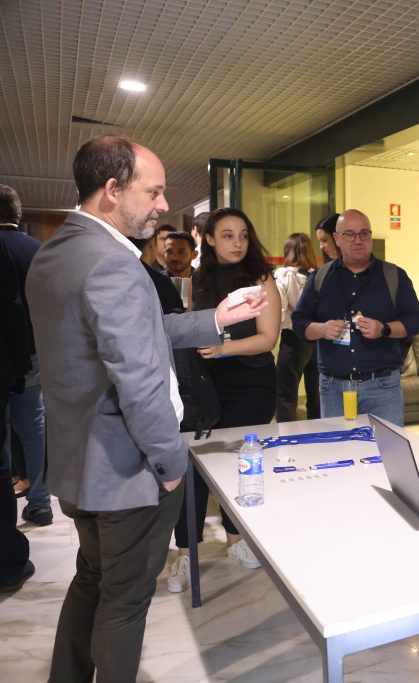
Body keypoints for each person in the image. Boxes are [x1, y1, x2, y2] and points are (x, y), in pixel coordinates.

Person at [25, 135, 267, 682]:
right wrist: (170, 463)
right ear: (113, 189)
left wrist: (215, 319)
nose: (164, 205)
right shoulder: (113, 263)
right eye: (154, 192)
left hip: (79, 461)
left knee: (92, 579)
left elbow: (132, 332)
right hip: (126, 470)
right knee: (126, 600)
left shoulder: (56, 251)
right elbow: (139, 380)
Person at [167, 207, 281, 593]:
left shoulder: (261, 279)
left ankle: (236, 538)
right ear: (210, 239)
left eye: (243, 235)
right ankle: (186, 552)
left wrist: (223, 348)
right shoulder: (198, 279)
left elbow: (268, 338)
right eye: (228, 235)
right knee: (193, 465)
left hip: (252, 384)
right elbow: (188, 328)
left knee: (237, 462)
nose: (237, 242)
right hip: (205, 383)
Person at [292, 209, 419, 425]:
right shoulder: (320, 277)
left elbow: (416, 321)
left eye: (364, 233)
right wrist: (322, 329)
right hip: (333, 389)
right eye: (350, 234)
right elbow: (299, 321)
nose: (358, 240)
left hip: (382, 387)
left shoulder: (393, 276)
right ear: (337, 238)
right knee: (339, 445)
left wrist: (384, 329)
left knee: (385, 446)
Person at [0, 184, 51, 526]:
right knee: (34, 429)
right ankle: (41, 502)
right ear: (17, 213)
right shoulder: (39, 251)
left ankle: (5, 507)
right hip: (33, 354)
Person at [0, 236, 34, 592]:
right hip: (10, 363)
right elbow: (11, 308)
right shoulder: (31, 247)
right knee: (31, 430)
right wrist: (21, 365)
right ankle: (8, 563)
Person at [275, 232, 320, 422]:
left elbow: (280, 309)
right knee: (316, 394)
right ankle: (320, 434)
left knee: (285, 394)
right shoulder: (317, 276)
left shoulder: (284, 275)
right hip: (318, 337)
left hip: (293, 339)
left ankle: (287, 435)